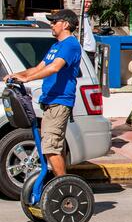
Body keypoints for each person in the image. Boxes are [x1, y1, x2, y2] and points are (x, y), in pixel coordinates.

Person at [3, 9, 81, 177]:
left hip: (59, 102)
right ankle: (58, 184)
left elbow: (54, 67)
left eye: (55, 21)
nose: (52, 25)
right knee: (49, 146)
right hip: (49, 102)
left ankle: (64, 188)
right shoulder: (56, 46)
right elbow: (40, 67)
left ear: (66, 24)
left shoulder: (71, 45)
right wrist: (19, 75)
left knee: (51, 148)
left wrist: (27, 80)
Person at [82, 0, 97, 66]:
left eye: (90, 2)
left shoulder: (86, 15)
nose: (88, 4)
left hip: (90, 53)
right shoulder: (80, 16)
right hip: (85, 53)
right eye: (86, 2)